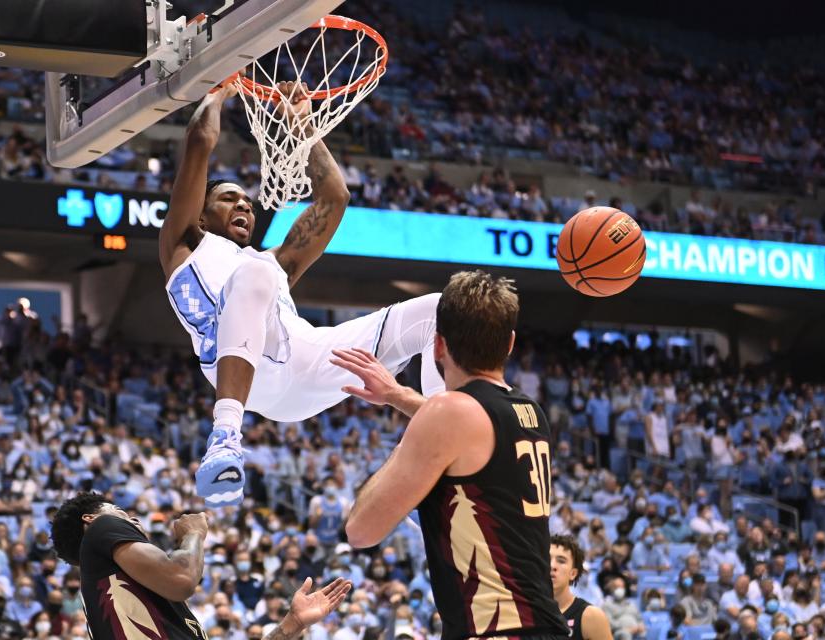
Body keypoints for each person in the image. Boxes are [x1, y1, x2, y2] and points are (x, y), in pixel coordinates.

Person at [160, 82, 444, 507]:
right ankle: (224, 437)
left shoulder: (274, 262)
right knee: (255, 269)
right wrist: (217, 87)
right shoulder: (184, 244)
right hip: (244, 372)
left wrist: (304, 123)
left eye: (248, 202)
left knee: (444, 308)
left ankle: (442, 437)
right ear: (201, 212)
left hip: (309, 358)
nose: (244, 206)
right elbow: (200, 140)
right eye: (228, 199)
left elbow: (335, 197)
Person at [338, 271, 570, 639]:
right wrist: (400, 396)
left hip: (496, 630)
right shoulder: (530, 412)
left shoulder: (446, 414)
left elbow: (360, 531)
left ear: (438, 347)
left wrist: (409, 443)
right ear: (509, 344)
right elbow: (468, 425)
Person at [50, 492, 350, 640]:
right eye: (122, 512)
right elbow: (182, 578)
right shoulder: (101, 527)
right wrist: (194, 533)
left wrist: (292, 624)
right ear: (91, 519)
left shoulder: (142, 603)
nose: (134, 520)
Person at [549, 535, 613, 639]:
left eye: (561, 561)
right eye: (547, 559)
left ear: (573, 573)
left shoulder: (591, 616)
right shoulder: (522, 612)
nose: (552, 565)